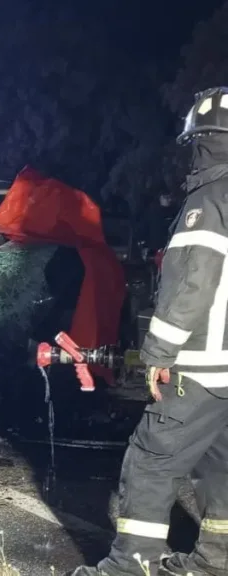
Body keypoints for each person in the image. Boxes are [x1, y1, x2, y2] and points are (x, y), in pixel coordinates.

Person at [69, 86, 228, 576]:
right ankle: (216, 561)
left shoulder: (211, 198)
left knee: (151, 458)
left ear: (203, 142)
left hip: (201, 363)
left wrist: (158, 351)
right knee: (220, 466)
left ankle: (128, 565)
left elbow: (193, 281)